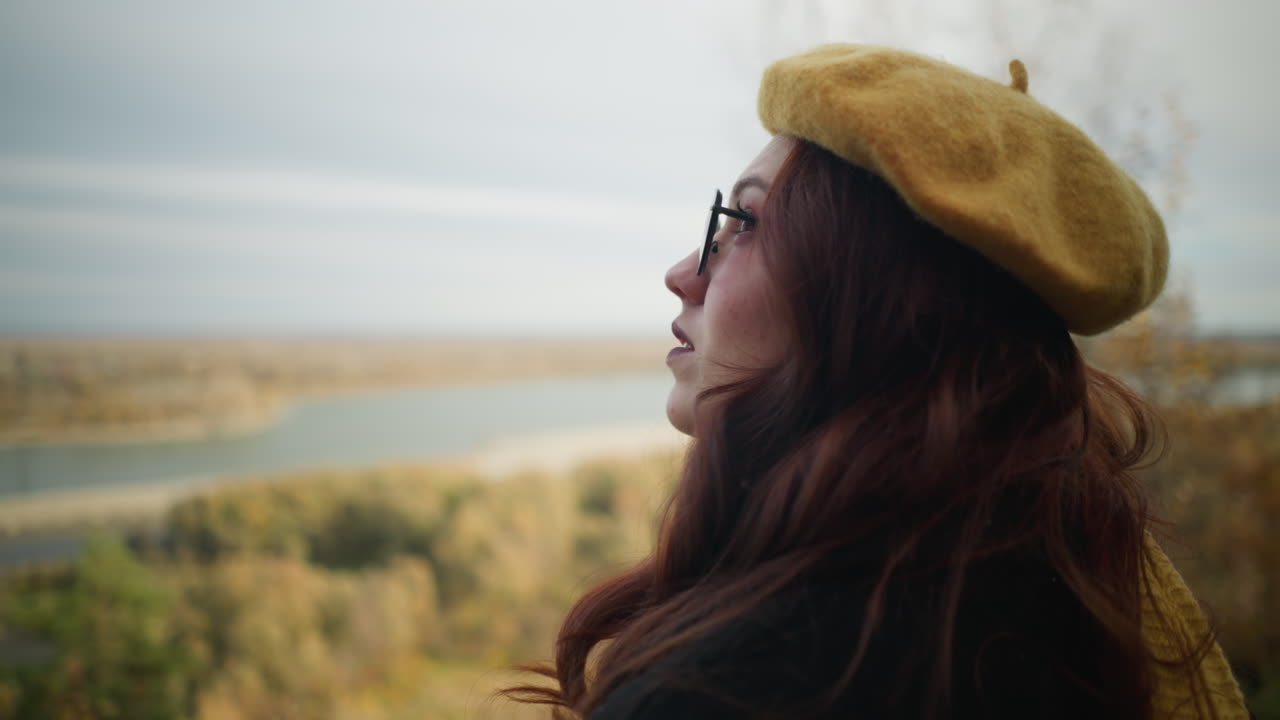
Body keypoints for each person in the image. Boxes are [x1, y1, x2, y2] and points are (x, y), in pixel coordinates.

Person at [505, 44, 1250, 719]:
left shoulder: (736, 688)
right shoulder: (1071, 603)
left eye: (747, 223)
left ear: (876, 298)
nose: (682, 275)